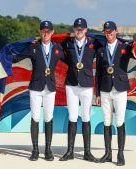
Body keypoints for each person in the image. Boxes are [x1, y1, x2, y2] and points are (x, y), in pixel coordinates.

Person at [16, 21, 64, 161]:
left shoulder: (58, 48)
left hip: (50, 88)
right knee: (35, 118)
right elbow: (18, 57)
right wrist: (6, 53)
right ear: (40, 32)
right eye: (43, 31)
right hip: (35, 88)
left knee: (48, 118)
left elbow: (72, 61)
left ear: (52, 32)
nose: (46, 33)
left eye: (48, 31)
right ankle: (35, 150)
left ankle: (48, 150)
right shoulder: (33, 48)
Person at [59, 18, 100, 162]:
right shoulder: (67, 44)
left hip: (87, 85)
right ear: (73, 29)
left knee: (86, 118)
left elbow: (110, 43)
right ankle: (69, 151)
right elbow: (52, 43)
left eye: (82, 28)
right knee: (72, 117)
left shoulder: (94, 44)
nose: (79, 30)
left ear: (86, 30)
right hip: (71, 84)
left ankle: (87, 152)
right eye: (77, 28)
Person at [95, 21, 134, 166]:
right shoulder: (100, 50)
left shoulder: (125, 48)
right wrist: (97, 93)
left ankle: (120, 154)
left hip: (119, 89)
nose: (108, 34)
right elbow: (98, 72)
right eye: (106, 32)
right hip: (105, 89)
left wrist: (135, 46)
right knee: (106, 121)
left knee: (119, 121)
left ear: (116, 31)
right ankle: (108, 153)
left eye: (111, 31)